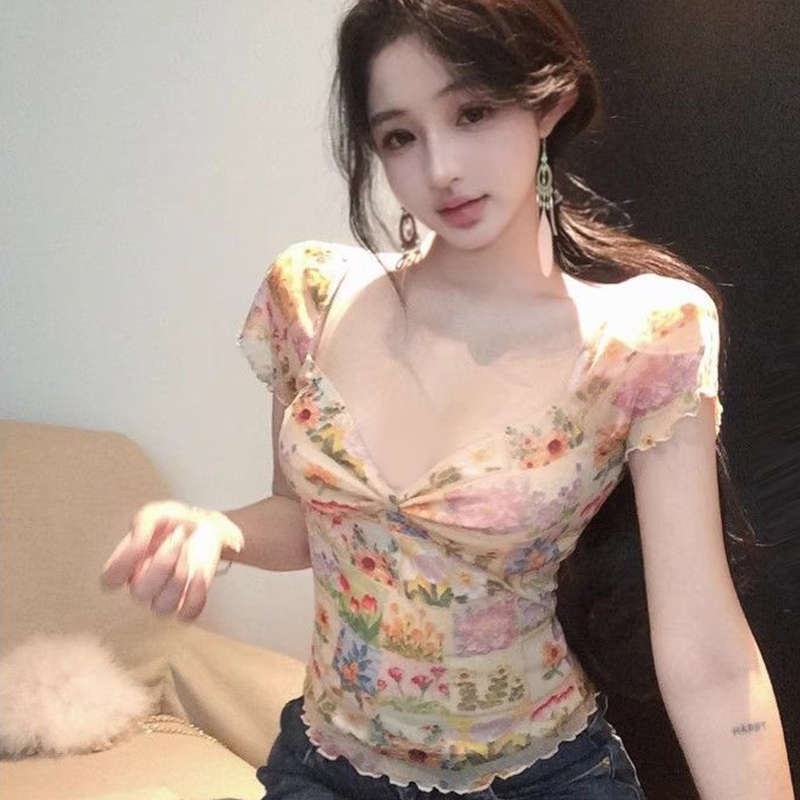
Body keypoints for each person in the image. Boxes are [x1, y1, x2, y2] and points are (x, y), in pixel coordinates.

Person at [100, 1, 795, 799]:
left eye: (472, 113)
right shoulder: (311, 298)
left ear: (549, 103)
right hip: (327, 771)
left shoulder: (643, 339)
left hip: (537, 780)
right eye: (400, 136)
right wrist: (218, 530)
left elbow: (707, 654)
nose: (441, 168)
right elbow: (310, 521)